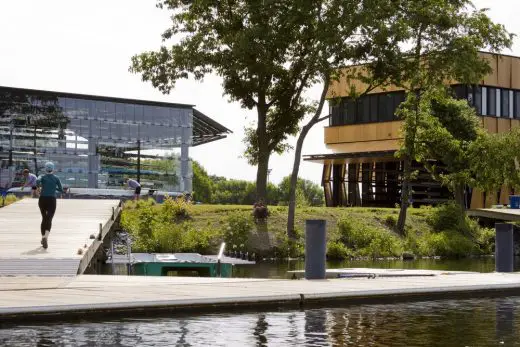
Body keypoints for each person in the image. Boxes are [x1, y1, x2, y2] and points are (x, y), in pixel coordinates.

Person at [36, 162, 65, 249]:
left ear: (45, 169)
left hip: (42, 199)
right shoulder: (56, 178)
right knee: (49, 219)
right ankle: (45, 237)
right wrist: (54, 187)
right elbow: (61, 190)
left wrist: (39, 188)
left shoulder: (42, 177)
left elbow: (37, 181)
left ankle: (42, 237)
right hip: (51, 200)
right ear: (53, 169)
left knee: (44, 218)